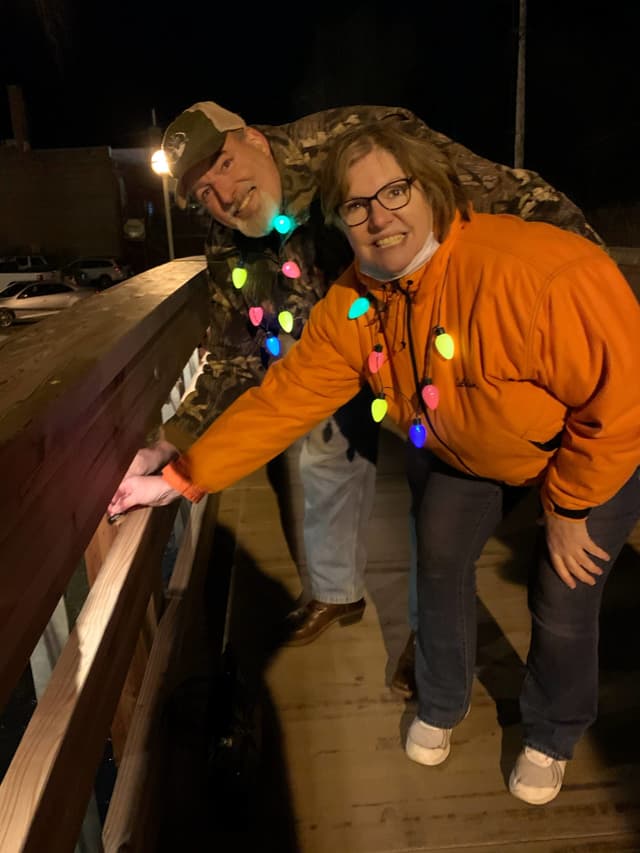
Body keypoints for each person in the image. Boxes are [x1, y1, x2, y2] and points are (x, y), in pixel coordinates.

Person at [109, 119, 640, 804]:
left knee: (563, 593)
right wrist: (180, 474)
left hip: (588, 450)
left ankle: (553, 728)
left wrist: (567, 506)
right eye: (357, 206)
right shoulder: (355, 304)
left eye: (395, 191)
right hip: (467, 449)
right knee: (439, 556)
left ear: (432, 187)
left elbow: (622, 399)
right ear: (339, 219)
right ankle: (442, 701)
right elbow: (282, 400)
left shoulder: (536, 272)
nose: (379, 216)